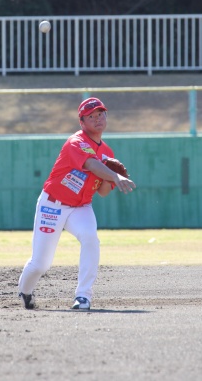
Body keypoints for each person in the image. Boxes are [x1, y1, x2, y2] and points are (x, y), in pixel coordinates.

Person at [18, 97, 136, 310]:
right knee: (40, 264)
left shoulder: (107, 152)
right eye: (91, 116)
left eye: (100, 114)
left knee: (91, 239)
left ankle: (83, 296)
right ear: (82, 122)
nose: (97, 119)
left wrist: (111, 179)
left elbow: (102, 192)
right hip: (53, 205)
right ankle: (25, 292)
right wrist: (116, 177)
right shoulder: (76, 142)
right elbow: (91, 164)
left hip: (81, 207)